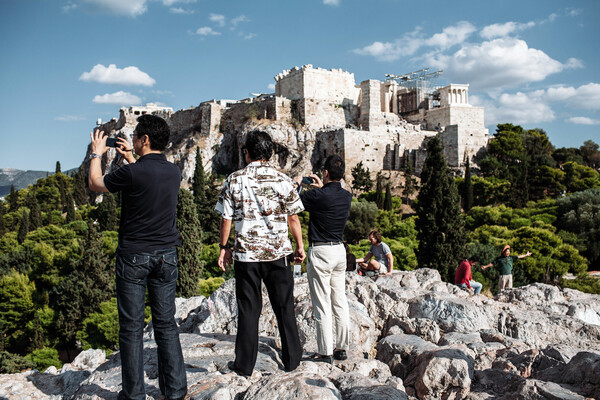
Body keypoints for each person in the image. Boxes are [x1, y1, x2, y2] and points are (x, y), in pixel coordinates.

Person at [88, 115, 187, 400]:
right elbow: (147, 176)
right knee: (166, 324)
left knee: (131, 327)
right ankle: (176, 390)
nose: (131, 141)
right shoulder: (174, 171)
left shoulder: (132, 173)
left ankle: (133, 395)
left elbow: (96, 183)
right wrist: (131, 157)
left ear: (144, 140)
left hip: (134, 257)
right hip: (167, 256)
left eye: (134, 137)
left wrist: (97, 152)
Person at [215, 130, 305, 376]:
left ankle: (244, 366)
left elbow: (226, 218)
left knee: (248, 310)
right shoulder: (283, 180)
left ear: (246, 153)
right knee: (284, 307)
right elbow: (293, 218)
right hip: (278, 255)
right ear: (270, 154)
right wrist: (299, 246)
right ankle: (292, 361)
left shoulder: (234, 179)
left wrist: (224, 248)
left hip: (247, 256)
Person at [294, 155, 352, 364]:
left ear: (325, 173)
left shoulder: (317, 196)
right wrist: (321, 187)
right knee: (340, 301)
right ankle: (342, 348)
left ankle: (324, 351)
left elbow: (292, 203)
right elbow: (328, 196)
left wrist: (298, 183)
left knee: (321, 303)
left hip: (321, 252)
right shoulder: (347, 196)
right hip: (339, 251)